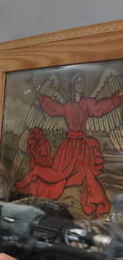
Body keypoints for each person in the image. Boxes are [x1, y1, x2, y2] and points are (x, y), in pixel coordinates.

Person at [16, 72, 123, 216]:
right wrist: (40, 96)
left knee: (87, 176)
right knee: (59, 173)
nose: (81, 84)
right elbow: (53, 108)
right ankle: (42, 176)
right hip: (69, 146)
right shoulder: (68, 106)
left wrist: (117, 98)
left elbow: (100, 108)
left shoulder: (87, 103)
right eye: (78, 81)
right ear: (73, 85)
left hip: (82, 146)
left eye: (82, 81)